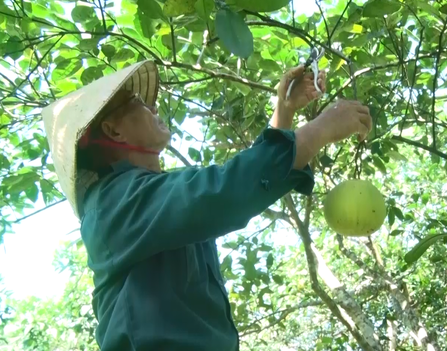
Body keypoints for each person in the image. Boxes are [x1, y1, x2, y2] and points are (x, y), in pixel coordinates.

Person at [41, 60, 372, 351]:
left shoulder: (152, 203)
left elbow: (225, 193)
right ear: (112, 129)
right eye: (139, 102)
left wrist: (283, 113)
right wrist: (320, 130)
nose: (154, 108)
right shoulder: (112, 203)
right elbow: (223, 193)